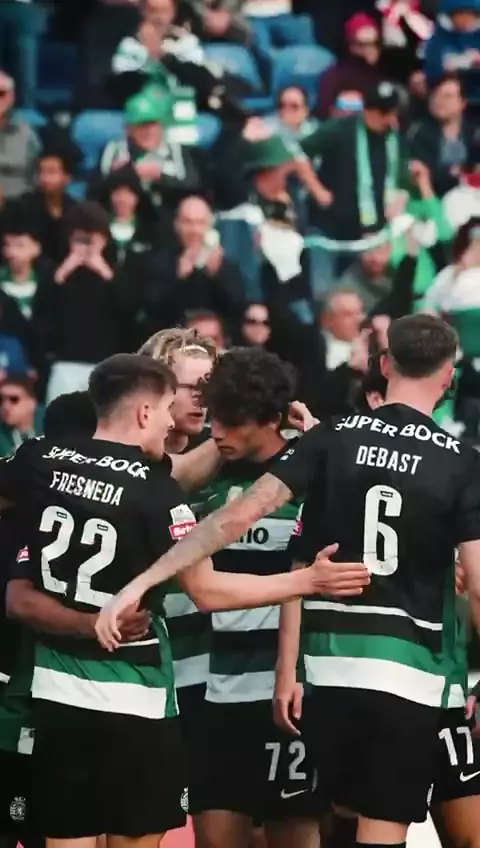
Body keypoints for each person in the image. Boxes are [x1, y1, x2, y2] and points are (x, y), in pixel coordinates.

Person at [96, 314, 480, 848]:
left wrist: (143, 581)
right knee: (374, 823)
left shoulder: (332, 440)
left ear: (385, 364)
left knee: (326, 820)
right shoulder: (460, 461)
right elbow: (476, 583)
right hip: (402, 675)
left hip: (327, 673)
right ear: (450, 376)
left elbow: (238, 519)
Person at [0, 353, 369, 847]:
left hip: (53, 694)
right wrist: (307, 581)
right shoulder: (157, 493)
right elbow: (207, 591)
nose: (175, 421)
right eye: (168, 408)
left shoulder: (40, 459)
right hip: (136, 695)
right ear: (144, 412)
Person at [191, 347, 320, 848]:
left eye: (231, 420)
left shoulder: (314, 477)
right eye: (214, 417)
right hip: (218, 691)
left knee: (293, 835)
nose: (216, 431)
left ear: (269, 419)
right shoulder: (207, 482)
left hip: (289, 693)